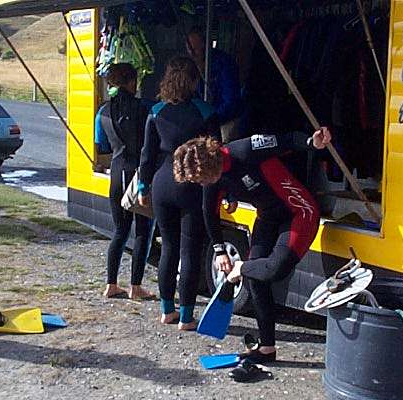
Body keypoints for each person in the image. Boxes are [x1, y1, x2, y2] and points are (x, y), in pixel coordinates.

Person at [173, 128, 332, 359]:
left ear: (210, 165)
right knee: (255, 277)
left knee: (274, 269)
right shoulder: (211, 179)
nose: (201, 184)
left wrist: (312, 142)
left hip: (300, 212)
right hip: (268, 217)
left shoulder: (245, 150)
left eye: (201, 180)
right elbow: (209, 212)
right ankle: (267, 348)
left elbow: (286, 138)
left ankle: (242, 271)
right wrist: (219, 251)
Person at [138, 56, 220, 330]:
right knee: (190, 250)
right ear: (194, 81)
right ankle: (186, 316)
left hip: (162, 182)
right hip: (192, 185)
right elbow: (216, 155)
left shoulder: (156, 111)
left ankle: (166, 310)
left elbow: (147, 154)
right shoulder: (205, 111)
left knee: (168, 248)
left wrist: (142, 186)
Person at [94, 63, 156, 300]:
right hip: (139, 172)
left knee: (120, 231)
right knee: (142, 231)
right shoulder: (146, 108)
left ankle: (111, 284)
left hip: (117, 170)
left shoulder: (103, 112)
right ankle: (136, 286)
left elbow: (102, 145)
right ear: (132, 83)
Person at [186, 27, 244, 140]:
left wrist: (211, 119)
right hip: (203, 124)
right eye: (190, 49)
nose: (192, 53)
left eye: (195, 49)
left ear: (204, 45)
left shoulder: (224, 63)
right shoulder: (191, 66)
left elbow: (230, 100)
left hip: (225, 122)